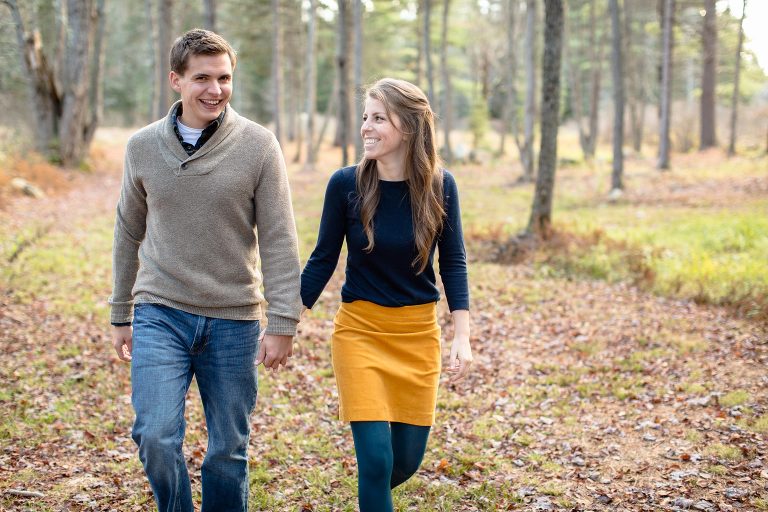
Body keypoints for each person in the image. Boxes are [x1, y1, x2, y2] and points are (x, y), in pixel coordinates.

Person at [109, 29, 302, 511]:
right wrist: (119, 313)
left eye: (224, 78)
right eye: (202, 78)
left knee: (227, 451)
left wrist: (283, 322)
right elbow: (127, 232)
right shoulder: (142, 147)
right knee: (155, 436)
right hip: (161, 311)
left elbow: (279, 238)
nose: (215, 89)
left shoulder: (259, 146)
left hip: (234, 319)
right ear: (175, 80)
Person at [300, 78, 472, 510]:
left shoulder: (440, 186)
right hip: (360, 332)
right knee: (375, 461)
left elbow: (453, 262)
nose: (366, 128)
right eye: (365, 117)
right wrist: (287, 316)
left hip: (417, 335)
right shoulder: (345, 184)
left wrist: (462, 335)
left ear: (409, 128)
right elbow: (323, 258)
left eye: (379, 118)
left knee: (406, 462)